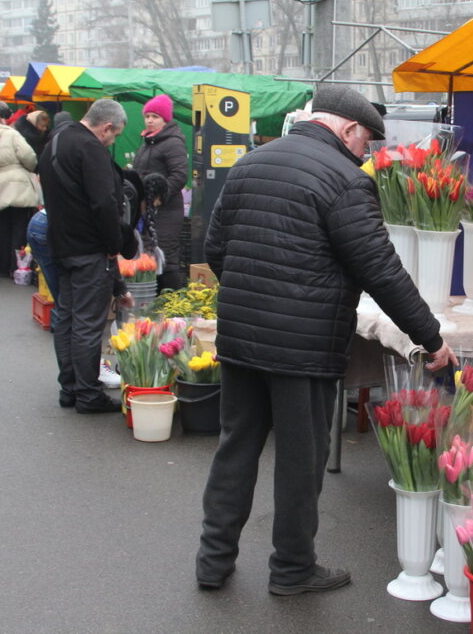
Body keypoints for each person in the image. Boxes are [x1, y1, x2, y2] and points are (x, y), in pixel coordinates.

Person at [196, 86, 458, 596]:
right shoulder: (345, 182)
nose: (368, 154)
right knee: (300, 459)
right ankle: (292, 569)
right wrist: (430, 338)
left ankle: (213, 561)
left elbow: (216, 248)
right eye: (366, 142)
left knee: (236, 448)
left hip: (242, 341)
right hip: (304, 349)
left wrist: (256, 299)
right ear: (346, 129)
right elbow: (382, 272)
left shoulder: (252, 162)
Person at [39, 99, 133, 413]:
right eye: (114, 135)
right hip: (89, 248)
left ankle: (70, 388)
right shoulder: (90, 149)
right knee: (88, 325)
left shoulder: (57, 140)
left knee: (65, 319)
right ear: (106, 126)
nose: (112, 141)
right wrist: (113, 244)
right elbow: (103, 204)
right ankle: (88, 395)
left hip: (61, 245)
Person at [131, 94, 189, 291]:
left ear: (165, 119)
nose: (149, 120)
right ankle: (152, 298)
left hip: (166, 210)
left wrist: (159, 197)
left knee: (166, 256)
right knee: (149, 254)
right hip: (147, 210)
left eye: (155, 116)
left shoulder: (172, 142)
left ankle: (172, 302)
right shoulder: (147, 142)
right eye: (147, 116)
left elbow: (180, 175)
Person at [0, 111, 41, 277]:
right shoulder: (11, 133)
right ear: (1, 120)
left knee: (4, 224)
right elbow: (28, 156)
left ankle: (3, 265)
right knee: (19, 224)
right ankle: (17, 266)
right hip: (17, 182)